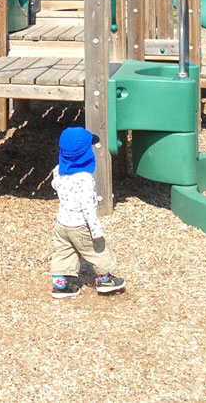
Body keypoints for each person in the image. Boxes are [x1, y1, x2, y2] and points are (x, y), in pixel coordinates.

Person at [49, 127, 125, 298]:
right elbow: (88, 208)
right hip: (80, 225)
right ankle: (105, 281)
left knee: (63, 251)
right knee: (97, 250)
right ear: (86, 154)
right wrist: (96, 231)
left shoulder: (58, 170)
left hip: (62, 223)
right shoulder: (84, 179)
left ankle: (60, 285)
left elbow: (55, 185)